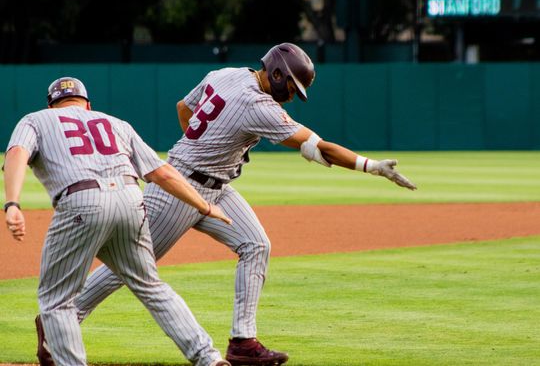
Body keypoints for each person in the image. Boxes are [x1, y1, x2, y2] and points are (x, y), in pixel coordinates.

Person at [70, 43, 417, 366]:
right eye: (293, 87)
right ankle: (64, 317)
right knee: (133, 266)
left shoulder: (226, 74)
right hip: (179, 188)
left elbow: (183, 108)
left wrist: (204, 145)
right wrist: (370, 166)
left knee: (256, 244)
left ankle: (243, 342)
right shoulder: (259, 106)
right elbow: (318, 147)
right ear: (278, 74)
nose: (293, 96)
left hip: (214, 185)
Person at [3, 77, 233, 366]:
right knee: (151, 286)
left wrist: (12, 202)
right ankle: (209, 358)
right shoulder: (115, 122)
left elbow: (16, 154)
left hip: (81, 201)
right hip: (130, 200)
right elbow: (161, 172)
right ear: (88, 104)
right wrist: (204, 205)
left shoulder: (36, 119)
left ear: (51, 105)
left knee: (57, 301)